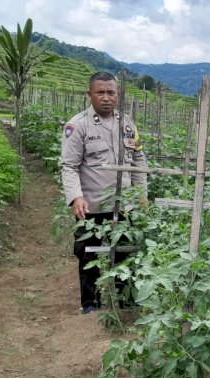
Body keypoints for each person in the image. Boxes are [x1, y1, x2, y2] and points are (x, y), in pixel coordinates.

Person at [60, 71, 148, 314]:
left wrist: (141, 193)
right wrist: (76, 196)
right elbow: (69, 166)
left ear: (118, 95)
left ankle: (127, 303)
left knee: (125, 255)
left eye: (111, 92)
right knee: (88, 255)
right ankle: (90, 304)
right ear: (89, 94)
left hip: (125, 206)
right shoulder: (77, 126)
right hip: (91, 206)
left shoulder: (128, 125)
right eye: (100, 92)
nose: (106, 97)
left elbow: (138, 160)